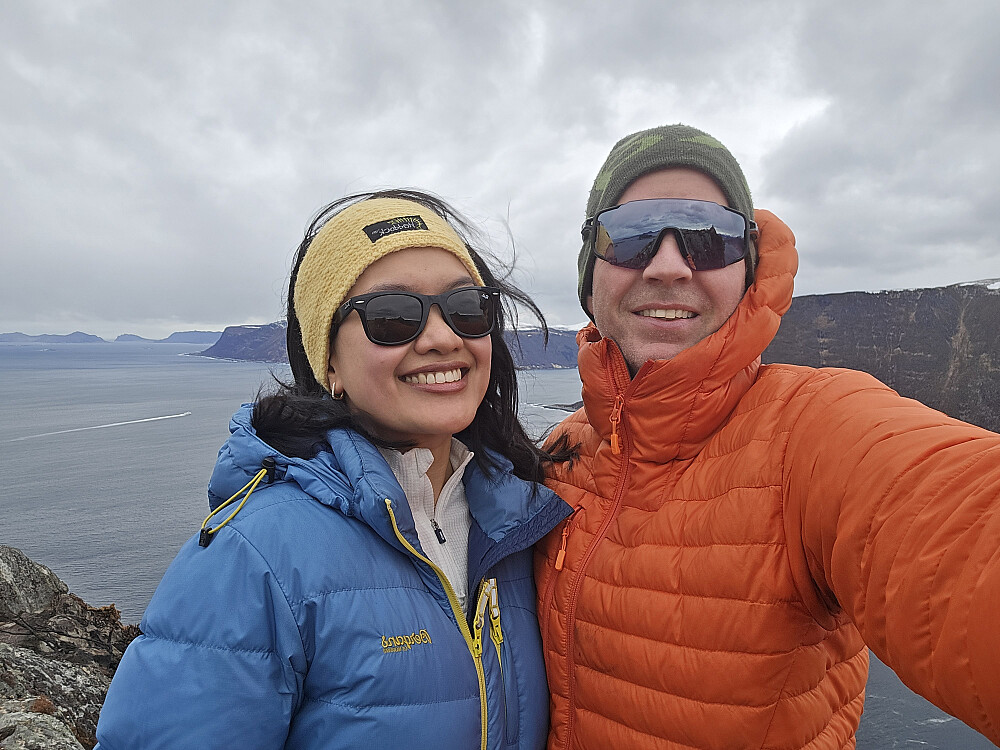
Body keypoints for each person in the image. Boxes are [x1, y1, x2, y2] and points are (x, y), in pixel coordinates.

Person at [535, 124, 1000, 749]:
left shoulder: (813, 430)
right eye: (632, 234)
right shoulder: (560, 453)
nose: (669, 266)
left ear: (749, 272)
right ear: (589, 273)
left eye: (710, 238)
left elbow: (954, 516)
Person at [95, 190, 572, 750]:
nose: (444, 338)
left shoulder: (519, 519)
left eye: (467, 307)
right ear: (330, 365)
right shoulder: (257, 554)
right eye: (392, 316)